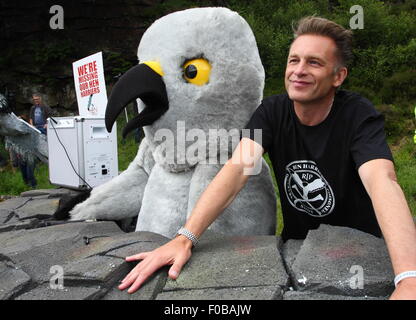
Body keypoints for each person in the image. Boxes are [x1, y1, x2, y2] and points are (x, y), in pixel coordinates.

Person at [118, 16, 416, 299]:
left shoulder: (357, 115)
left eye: (314, 62)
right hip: (300, 250)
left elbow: (382, 181)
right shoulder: (271, 114)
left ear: (338, 76)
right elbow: (237, 170)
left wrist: (408, 279)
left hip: (360, 249)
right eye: (294, 60)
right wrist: (185, 238)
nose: (299, 70)